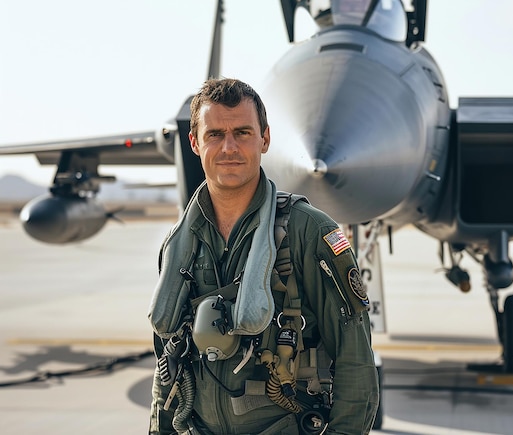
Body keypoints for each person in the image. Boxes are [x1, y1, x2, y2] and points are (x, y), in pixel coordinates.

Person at [148, 78, 379, 434]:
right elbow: (168, 368)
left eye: (242, 132)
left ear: (265, 139)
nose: (229, 147)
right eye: (214, 135)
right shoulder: (178, 245)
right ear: (194, 142)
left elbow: (356, 360)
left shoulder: (307, 232)